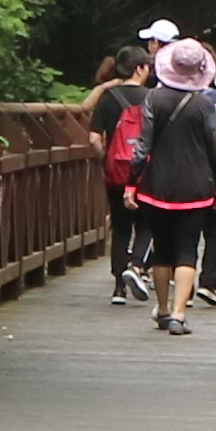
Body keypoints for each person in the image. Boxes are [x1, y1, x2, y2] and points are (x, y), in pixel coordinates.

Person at [122, 40, 216, 337]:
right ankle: (180, 315)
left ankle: (163, 308)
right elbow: (214, 149)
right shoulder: (205, 105)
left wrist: (132, 183)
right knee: (187, 250)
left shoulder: (153, 99)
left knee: (163, 250)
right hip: (196, 186)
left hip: (158, 185)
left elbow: (142, 147)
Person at [82, 31, 162, 301]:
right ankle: (137, 266)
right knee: (147, 223)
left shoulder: (109, 98)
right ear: (140, 68)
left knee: (120, 227)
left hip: (116, 171)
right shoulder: (153, 98)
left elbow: (94, 137)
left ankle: (118, 286)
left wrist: (105, 159)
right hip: (145, 172)